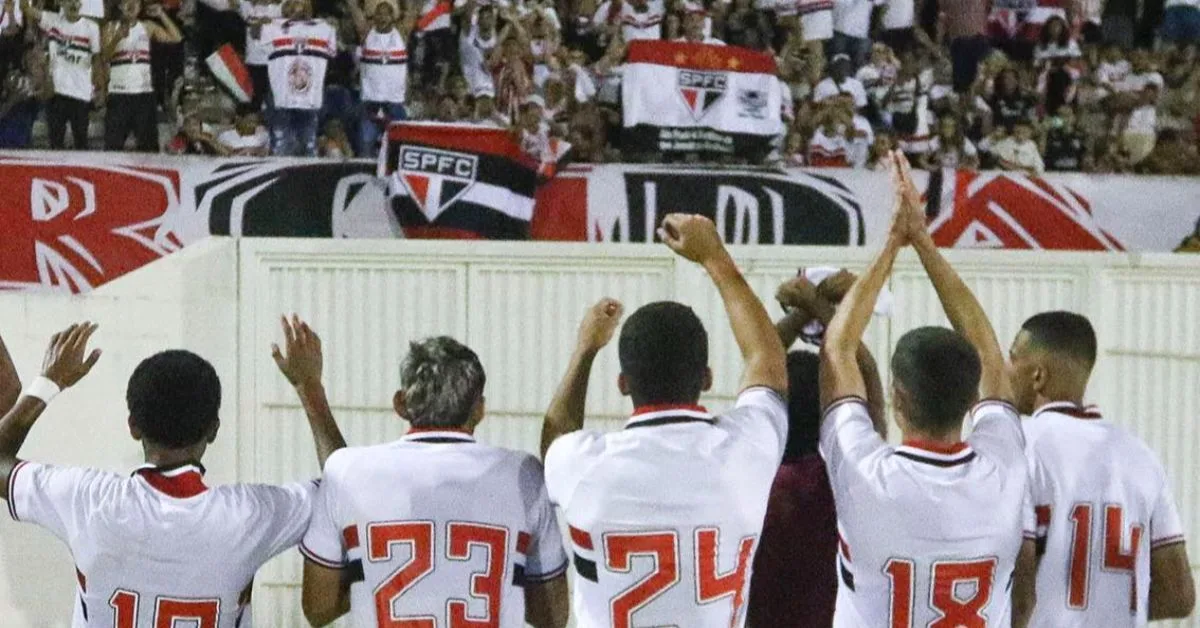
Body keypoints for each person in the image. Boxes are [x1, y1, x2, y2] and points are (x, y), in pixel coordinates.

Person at [0, 316, 347, 626]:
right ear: (213, 429)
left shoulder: (87, 500)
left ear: (133, 426)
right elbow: (347, 490)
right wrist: (309, 388)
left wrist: (47, 383)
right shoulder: (248, 515)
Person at [540, 213, 788, 627]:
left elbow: (556, 440)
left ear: (622, 383)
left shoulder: (583, 465)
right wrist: (715, 259)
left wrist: (585, 350)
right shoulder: (745, 451)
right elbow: (767, 360)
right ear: (706, 378)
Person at [819, 152, 1035, 627]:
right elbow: (988, 352)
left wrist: (894, 242)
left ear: (897, 399)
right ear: (971, 397)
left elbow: (838, 350)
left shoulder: (864, 475)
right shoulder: (1005, 470)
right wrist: (925, 244)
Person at [298, 336, 570, 627]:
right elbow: (551, 617)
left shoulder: (344, 469)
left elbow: (318, 608)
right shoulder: (524, 474)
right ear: (479, 409)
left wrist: (381, 580)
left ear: (400, 403)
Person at [1009, 311, 1195, 626]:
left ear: (1038, 375)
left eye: (1013, 358)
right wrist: (1105, 605)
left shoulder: (1019, 443)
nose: (1006, 369)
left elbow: (1018, 592)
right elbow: (1179, 594)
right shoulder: (1140, 454)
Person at [747, 274, 886, 627]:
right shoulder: (851, 479)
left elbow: (760, 363)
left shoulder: (747, 475)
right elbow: (867, 371)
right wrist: (821, 308)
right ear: (829, 411)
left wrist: (801, 311)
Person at [101, 0, 183, 151]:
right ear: (120, 6)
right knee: (113, 145)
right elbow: (105, 57)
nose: (132, 6)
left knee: (149, 147)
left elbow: (176, 38)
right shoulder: (111, 27)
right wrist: (117, 38)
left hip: (144, 94)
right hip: (119, 94)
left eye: (136, 2)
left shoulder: (147, 27)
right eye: (127, 2)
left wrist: (161, 14)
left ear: (140, 7)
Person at [22, 0, 101, 150]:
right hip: (56, 93)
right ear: (62, 4)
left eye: (76, 2)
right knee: (55, 143)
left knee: (81, 144)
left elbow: (97, 59)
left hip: (81, 93)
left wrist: (100, 88)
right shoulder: (52, 20)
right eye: (69, 1)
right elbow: (27, 9)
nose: (73, 4)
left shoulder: (91, 27)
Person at [262, 0, 337, 156]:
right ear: (285, 8)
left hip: (309, 99)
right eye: (293, 3)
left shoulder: (324, 29)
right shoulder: (274, 28)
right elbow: (257, 36)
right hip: (282, 98)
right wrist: (262, 23)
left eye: (303, 4)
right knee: (280, 148)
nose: (298, 8)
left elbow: (333, 53)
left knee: (309, 146)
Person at [346, 0, 410, 157]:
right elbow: (353, 7)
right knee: (365, 149)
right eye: (378, 13)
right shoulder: (367, 33)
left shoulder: (401, 33)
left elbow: (414, 8)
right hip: (370, 104)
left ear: (393, 16)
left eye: (386, 13)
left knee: (398, 151)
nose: (382, 17)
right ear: (373, 17)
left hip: (395, 104)